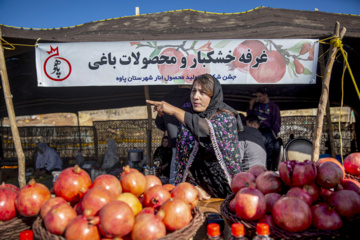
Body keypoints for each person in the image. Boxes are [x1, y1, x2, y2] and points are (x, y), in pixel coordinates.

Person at [147, 74, 244, 199]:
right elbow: (183, 164)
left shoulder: (226, 118)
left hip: (227, 191)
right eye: (193, 91)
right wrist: (193, 187)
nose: (195, 96)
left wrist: (175, 110)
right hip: (198, 193)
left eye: (202, 92)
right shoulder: (188, 122)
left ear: (213, 95)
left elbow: (206, 130)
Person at [155, 85, 193, 184]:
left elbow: (159, 123)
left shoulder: (166, 99)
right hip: (195, 145)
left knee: (176, 180)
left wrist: (169, 127)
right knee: (194, 181)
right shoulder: (196, 97)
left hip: (175, 144)